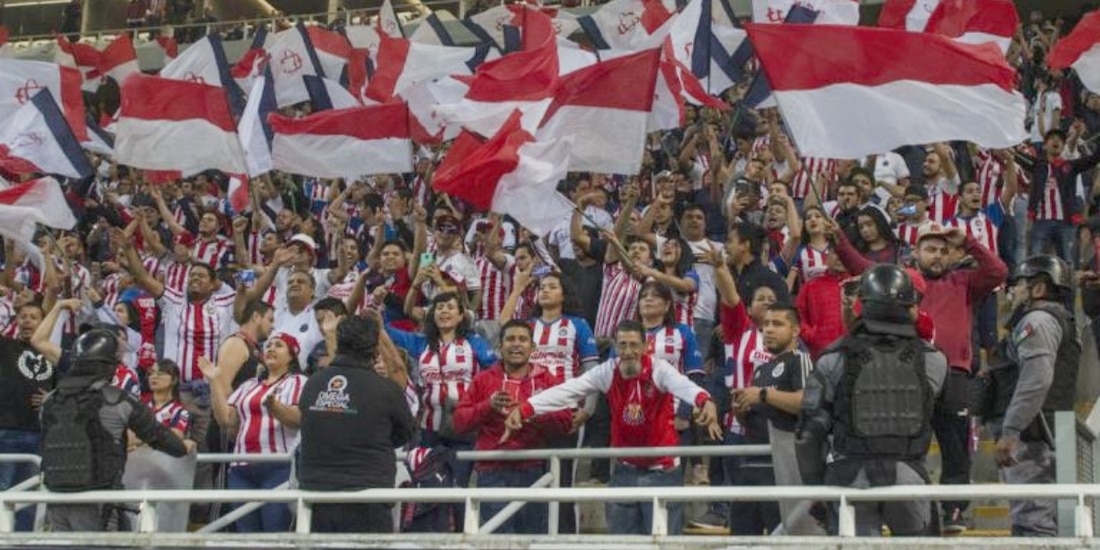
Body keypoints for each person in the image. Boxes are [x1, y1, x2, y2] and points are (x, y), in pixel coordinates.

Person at [833, 219, 1008, 532]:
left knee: (955, 446)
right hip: (911, 369)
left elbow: (998, 272)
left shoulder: (965, 280)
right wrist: (839, 240)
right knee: (909, 442)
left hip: (955, 374)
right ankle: (910, 507)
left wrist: (967, 241)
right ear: (915, 252)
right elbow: (863, 266)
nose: (938, 255)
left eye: (943, 250)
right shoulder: (904, 283)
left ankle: (954, 510)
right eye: (930, 249)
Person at [503, 320, 722, 535]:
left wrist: (704, 400)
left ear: (646, 347)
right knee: (621, 543)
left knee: (664, 544)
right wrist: (526, 408)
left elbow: (683, 385)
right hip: (624, 470)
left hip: (662, 470)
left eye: (634, 345)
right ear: (615, 347)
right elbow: (569, 390)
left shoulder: (660, 369)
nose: (628, 351)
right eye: (622, 345)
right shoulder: (608, 370)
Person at [798, 265, 948, 536]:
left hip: (850, 479)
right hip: (909, 476)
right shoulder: (934, 360)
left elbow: (809, 434)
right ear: (909, 305)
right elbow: (954, 434)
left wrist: (815, 489)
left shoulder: (833, 358)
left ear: (862, 303)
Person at [40, 330, 189, 532]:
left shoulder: (49, 401)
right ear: (108, 365)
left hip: (55, 501)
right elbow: (171, 445)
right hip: (100, 502)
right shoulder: (117, 400)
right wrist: (184, 445)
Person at [452, 320, 575, 534]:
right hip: (492, 472)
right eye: (510, 339)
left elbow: (566, 423)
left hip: (534, 471)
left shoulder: (547, 380)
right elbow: (459, 423)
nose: (516, 344)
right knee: (495, 543)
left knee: (531, 541)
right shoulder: (483, 380)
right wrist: (487, 406)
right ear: (500, 347)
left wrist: (533, 414)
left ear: (533, 347)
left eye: (522, 339)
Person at [297, 315, 416, 533]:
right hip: (368, 497)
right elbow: (405, 433)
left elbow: (306, 423)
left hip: (317, 496)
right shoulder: (386, 389)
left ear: (339, 343)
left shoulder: (313, 383)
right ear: (374, 350)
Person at [993, 256, 1080, 536]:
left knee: (1031, 522)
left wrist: (1011, 430)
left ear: (1039, 289)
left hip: (1031, 437)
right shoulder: (1056, 319)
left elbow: (1036, 378)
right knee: (1039, 518)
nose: (1012, 291)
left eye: (1018, 284)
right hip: (1040, 433)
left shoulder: (1038, 321)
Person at [199, 332, 306, 533]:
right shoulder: (249, 385)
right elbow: (226, 420)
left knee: (274, 531)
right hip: (241, 467)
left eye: (279, 345)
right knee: (246, 534)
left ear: (292, 356)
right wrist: (214, 382)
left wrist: (274, 406)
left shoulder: (298, 381)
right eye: (269, 345)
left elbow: (296, 419)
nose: (271, 348)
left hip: (278, 466)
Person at [732, 304, 823, 535]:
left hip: (785, 466)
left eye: (777, 324)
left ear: (795, 331)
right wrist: (742, 411)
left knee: (786, 535)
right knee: (743, 535)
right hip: (754, 463)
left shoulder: (799, 360)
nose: (768, 330)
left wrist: (762, 394)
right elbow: (761, 417)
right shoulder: (762, 370)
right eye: (765, 325)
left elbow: (806, 403)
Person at [0, 302, 56, 531]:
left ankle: (22, 543)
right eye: (23, 316)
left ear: (44, 323)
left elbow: (67, 390)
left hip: (41, 433)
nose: (27, 321)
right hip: (7, 430)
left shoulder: (55, 354)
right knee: (3, 489)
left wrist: (51, 396)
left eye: (34, 317)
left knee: (29, 495)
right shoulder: (5, 347)